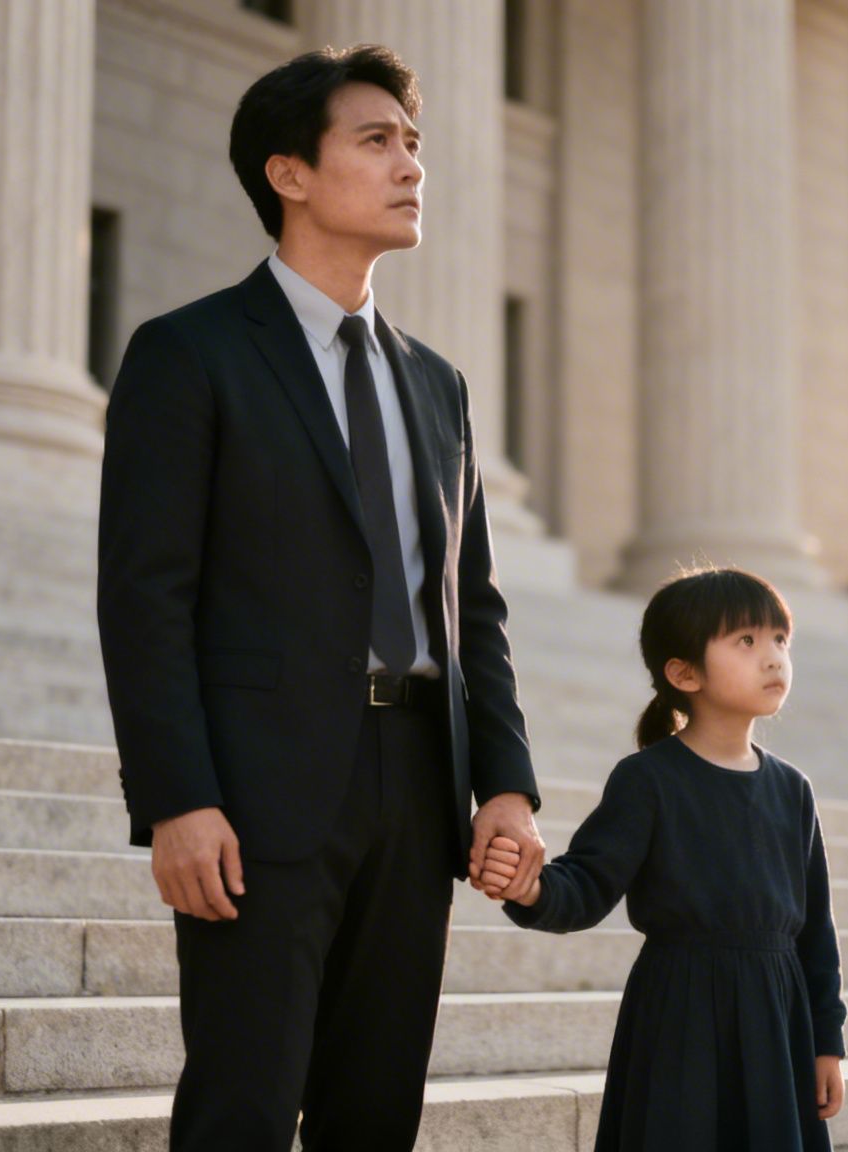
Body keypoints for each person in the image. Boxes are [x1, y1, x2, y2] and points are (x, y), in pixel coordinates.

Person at [95, 44, 545, 1151]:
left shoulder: (436, 383)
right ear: (288, 173)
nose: (411, 167)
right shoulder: (187, 354)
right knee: (242, 1108)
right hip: (257, 792)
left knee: (374, 1112)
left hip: (417, 790)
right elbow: (144, 597)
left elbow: (469, 606)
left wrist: (506, 786)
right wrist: (175, 797)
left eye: (415, 145)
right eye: (376, 142)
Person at [475, 567, 848, 1151]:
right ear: (684, 672)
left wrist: (826, 1042)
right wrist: (530, 889)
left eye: (781, 639)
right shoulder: (648, 779)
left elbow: (816, 933)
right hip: (681, 1019)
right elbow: (588, 882)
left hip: (778, 1022)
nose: (774, 657)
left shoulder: (792, 790)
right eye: (746, 641)